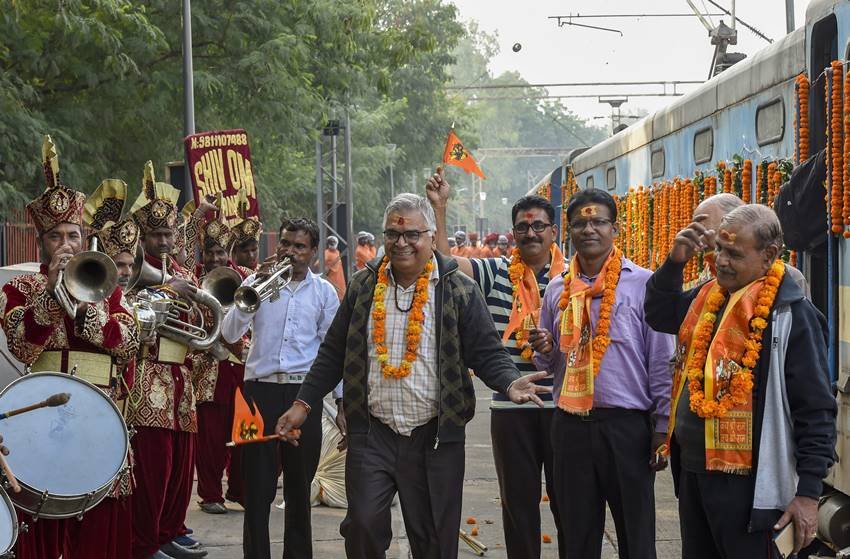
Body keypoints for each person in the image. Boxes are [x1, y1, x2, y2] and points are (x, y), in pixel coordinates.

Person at [274, 193, 550, 559]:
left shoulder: (457, 289)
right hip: (373, 433)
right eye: (392, 234)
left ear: (431, 236)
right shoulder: (363, 285)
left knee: (435, 539)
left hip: (435, 437)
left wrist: (509, 381)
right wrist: (303, 402)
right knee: (363, 526)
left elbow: (486, 352)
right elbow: (332, 352)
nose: (400, 243)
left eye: (411, 235)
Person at [644, 204, 836, 558]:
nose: (721, 260)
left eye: (733, 253)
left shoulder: (788, 314)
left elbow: (817, 410)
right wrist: (675, 262)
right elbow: (658, 313)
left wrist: (808, 494)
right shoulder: (708, 297)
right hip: (694, 474)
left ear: (769, 256)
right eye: (718, 248)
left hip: (749, 487)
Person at [0, 137, 140, 559]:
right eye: (56, 236)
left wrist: (83, 306)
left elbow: (129, 343)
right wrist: (50, 295)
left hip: (99, 414)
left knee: (101, 528)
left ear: (86, 239)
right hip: (40, 419)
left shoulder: (107, 287)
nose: (66, 244)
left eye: (73, 235)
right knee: (39, 515)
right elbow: (22, 346)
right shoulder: (17, 289)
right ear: (40, 242)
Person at [427, 171, 566, 559]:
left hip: (564, 407)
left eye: (539, 225)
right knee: (517, 505)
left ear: (553, 232)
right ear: (513, 233)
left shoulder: (572, 277)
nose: (531, 233)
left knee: (569, 502)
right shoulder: (495, 271)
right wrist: (440, 209)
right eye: (523, 226)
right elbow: (444, 266)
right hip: (511, 407)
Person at [531, 188, 674, 559]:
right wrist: (544, 349)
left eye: (598, 222)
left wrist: (662, 427)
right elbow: (547, 367)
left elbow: (660, 360)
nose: (589, 229)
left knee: (636, 534)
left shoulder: (644, 284)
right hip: (570, 426)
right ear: (569, 231)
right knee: (576, 534)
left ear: (616, 228)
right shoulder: (558, 290)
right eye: (580, 223)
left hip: (626, 428)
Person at [221, 218, 341, 559]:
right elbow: (230, 334)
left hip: (304, 397)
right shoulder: (255, 283)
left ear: (313, 254)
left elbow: (332, 352)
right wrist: (254, 290)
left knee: (299, 490)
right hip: (258, 394)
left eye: (299, 246)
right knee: (256, 491)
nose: (290, 251)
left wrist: (342, 402)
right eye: (285, 244)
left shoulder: (324, 292)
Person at [125, 161, 208, 559]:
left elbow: (197, 321)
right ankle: (145, 541)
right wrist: (166, 291)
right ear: (142, 236)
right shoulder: (129, 271)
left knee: (180, 464)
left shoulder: (179, 269)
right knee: (154, 465)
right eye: (155, 234)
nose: (162, 241)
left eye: (168, 233)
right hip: (148, 372)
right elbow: (129, 310)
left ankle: (169, 530)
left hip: (181, 374)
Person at [192, 214, 253, 515]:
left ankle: (240, 489)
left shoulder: (242, 275)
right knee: (211, 437)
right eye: (210, 252)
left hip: (242, 366)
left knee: (246, 432)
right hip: (208, 369)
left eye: (221, 252)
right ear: (202, 254)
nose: (216, 258)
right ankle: (210, 493)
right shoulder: (191, 280)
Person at [688, 193, 809, 296]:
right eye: (696, 231)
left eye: (704, 231)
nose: (699, 240)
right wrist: (674, 264)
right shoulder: (706, 278)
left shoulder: (788, 280)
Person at [323, 235, 347, 300]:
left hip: (340, 278)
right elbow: (318, 264)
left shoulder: (337, 252)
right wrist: (327, 267)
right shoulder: (326, 253)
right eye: (331, 242)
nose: (332, 244)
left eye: (333, 242)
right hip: (331, 279)